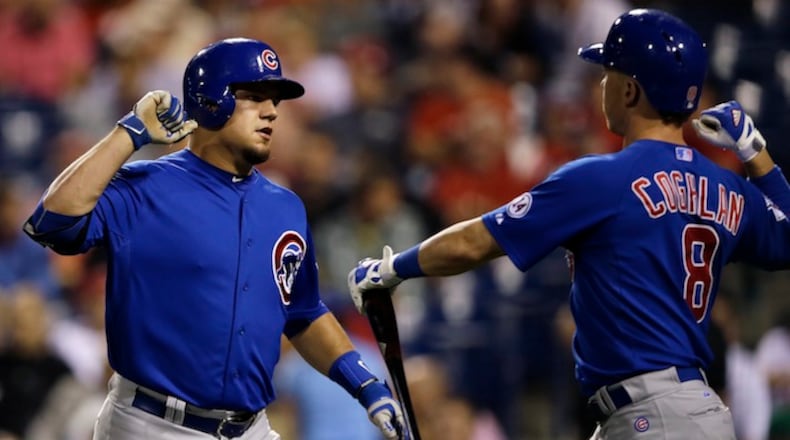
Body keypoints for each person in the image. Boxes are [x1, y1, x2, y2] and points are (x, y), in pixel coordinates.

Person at [348, 9, 790, 440]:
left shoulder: (602, 178)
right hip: (678, 409)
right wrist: (757, 153)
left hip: (654, 416)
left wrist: (392, 269)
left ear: (631, 90)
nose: (601, 82)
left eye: (609, 71)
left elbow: (476, 242)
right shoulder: (727, 187)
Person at [22, 37, 406, 440]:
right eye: (255, 97)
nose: (272, 112)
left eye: (275, 100)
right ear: (210, 99)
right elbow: (50, 222)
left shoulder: (285, 207)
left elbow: (303, 312)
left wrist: (365, 384)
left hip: (251, 427)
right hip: (151, 425)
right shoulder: (145, 187)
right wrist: (130, 133)